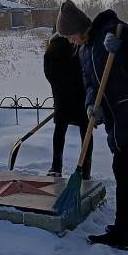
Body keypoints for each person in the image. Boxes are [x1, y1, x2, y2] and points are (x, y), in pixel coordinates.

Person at [56, 0, 128, 251]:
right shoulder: (84, 50)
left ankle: (123, 233)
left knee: (123, 169)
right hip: (116, 117)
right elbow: (90, 83)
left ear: (79, 29)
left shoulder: (111, 29)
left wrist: (123, 37)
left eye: (70, 36)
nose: (70, 42)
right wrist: (91, 104)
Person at [43, 31, 92, 179]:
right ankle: (85, 169)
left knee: (60, 130)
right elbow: (88, 69)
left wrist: (58, 87)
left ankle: (56, 167)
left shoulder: (51, 49)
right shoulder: (79, 44)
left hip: (61, 97)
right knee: (86, 131)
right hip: (81, 96)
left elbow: (48, 74)